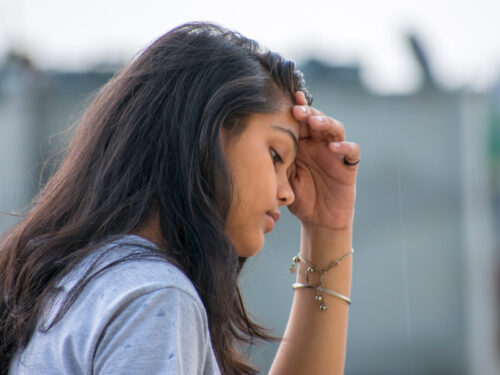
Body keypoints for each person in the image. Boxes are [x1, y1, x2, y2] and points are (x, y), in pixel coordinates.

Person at [0, 22, 360, 375]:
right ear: (207, 132)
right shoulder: (154, 297)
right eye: (277, 156)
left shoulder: (70, 281)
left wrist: (329, 228)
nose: (288, 192)